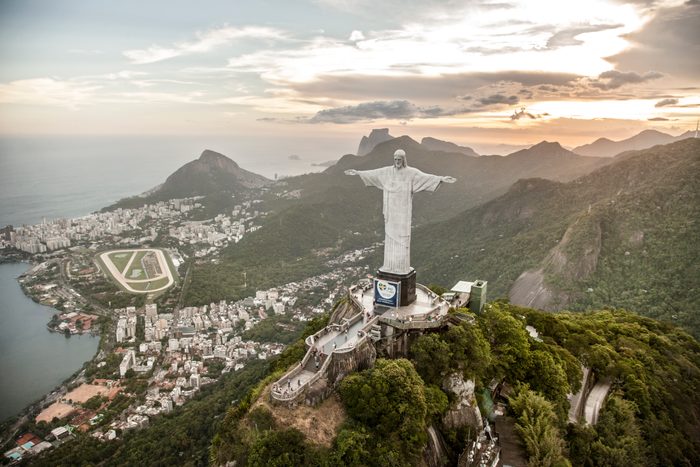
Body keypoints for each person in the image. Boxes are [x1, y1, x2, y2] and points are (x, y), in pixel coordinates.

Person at [345, 149, 455, 274]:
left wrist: (441, 179)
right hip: (391, 213)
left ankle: (401, 268)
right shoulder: (387, 172)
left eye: (399, 159)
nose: (397, 161)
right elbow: (373, 173)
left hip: (402, 214)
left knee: (402, 239)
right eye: (395, 159)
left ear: (403, 160)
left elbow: (425, 177)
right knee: (390, 238)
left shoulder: (411, 173)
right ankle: (389, 266)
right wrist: (358, 172)